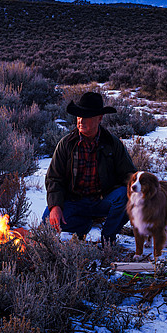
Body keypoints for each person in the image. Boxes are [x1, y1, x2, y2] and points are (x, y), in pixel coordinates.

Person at [43, 91, 137, 244]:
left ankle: (107, 239)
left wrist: (139, 187)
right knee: (48, 220)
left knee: (128, 196)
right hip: (75, 201)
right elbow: (54, 178)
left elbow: (128, 174)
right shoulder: (66, 144)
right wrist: (55, 205)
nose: (80, 121)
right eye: (79, 116)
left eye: (86, 116)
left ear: (99, 118)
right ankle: (82, 226)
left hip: (103, 200)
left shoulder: (112, 144)